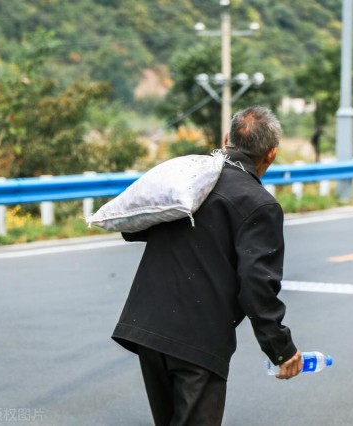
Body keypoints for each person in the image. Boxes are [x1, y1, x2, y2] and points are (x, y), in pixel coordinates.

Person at [112, 106, 302, 425]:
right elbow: (257, 287)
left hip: (148, 328)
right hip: (196, 339)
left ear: (227, 139)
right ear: (271, 155)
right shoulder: (260, 205)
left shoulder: (190, 182)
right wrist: (281, 349)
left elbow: (135, 227)